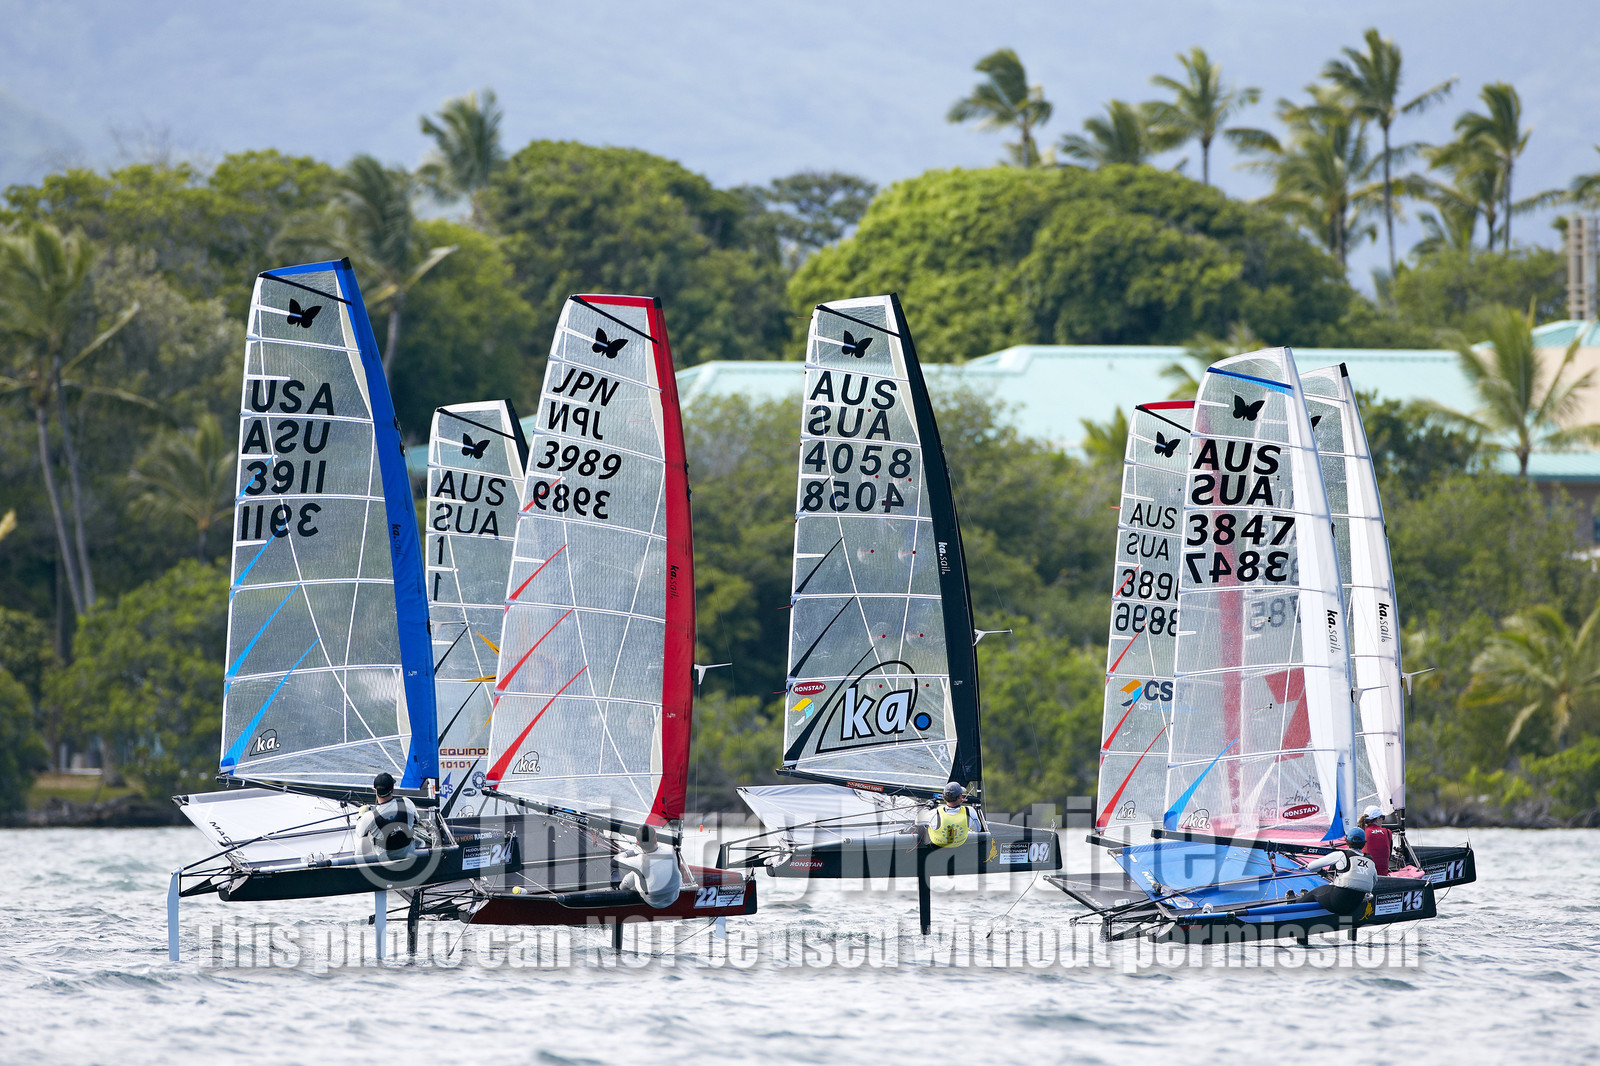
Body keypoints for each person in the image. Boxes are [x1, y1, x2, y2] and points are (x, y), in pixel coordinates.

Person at [1300, 826, 1377, 917]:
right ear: (1364, 843)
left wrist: (1322, 872)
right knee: (1327, 890)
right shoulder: (1370, 861)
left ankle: (1295, 902)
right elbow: (1374, 881)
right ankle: (1306, 897)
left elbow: (1311, 866)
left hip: (1337, 902)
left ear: (1347, 841)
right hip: (1354, 906)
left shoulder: (1341, 855)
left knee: (1315, 892)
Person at [354, 772, 419, 859]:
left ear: (374, 791)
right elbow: (417, 820)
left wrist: (361, 816)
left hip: (385, 860)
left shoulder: (370, 816)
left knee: (364, 837)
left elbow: (359, 834)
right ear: (392, 790)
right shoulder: (407, 802)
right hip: (408, 854)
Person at [616, 823, 683, 908]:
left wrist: (627, 853)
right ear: (655, 839)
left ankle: (620, 890)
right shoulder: (672, 850)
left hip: (653, 902)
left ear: (638, 844)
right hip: (674, 897)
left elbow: (615, 861)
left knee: (635, 871)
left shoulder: (638, 860)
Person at [925, 782, 977, 848]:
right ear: (960, 797)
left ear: (944, 797)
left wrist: (928, 808)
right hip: (959, 846)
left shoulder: (934, 813)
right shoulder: (970, 811)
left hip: (936, 847)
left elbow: (917, 822)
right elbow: (978, 829)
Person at [1357, 805, 1394, 876]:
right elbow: (1388, 854)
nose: (1383, 820)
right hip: (1383, 875)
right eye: (1383, 817)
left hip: (1365, 874)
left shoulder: (1361, 832)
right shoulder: (1388, 832)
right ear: (1377, 819)